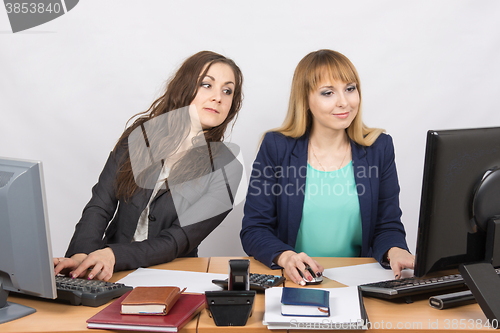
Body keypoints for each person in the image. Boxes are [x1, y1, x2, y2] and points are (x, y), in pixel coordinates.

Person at [54, 51, 243, 281]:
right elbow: (100, 205)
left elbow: (178, 240)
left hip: (171, 276)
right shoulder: (141, 135)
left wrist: (113, 254)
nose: (218, 97)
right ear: (185, 87)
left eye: (227, 90)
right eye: (206, 85)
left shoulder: (227, 167)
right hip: (107, 271)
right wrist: (81, 256)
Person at [240, 49, 414, 286]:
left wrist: (395, 250)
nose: (344, 102)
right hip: (295, 280)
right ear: (306, 100)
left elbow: (387, 225)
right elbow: (255, 229)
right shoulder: (276, 147)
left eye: (350, 89)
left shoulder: (378, 148)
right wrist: (286, 257)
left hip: (359, 280)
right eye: (328, 92)